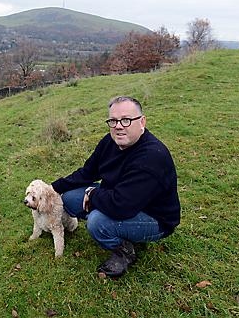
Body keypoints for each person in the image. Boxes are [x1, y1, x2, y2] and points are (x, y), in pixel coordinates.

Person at [51, 96, 180, 277]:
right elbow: (88, 172)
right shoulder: (110, 142)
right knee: (69, 198)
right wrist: (53, 187)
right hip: (119, 197)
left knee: (97, 222)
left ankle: (124, 251)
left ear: (142, 122)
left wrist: (93, 195)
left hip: (154, 218)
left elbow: (121, 205)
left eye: (126, 120)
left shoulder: (152, 157)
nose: (118, 126)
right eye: (113, 121)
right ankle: (116, 228)